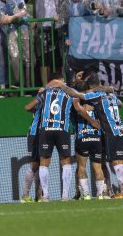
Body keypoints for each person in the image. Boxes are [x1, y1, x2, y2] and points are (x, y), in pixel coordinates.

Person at [52, 72, 123, 199]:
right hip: (122, 129)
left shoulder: (95, 96)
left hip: (110, 131)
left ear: (90, 86)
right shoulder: (111, 94)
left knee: (115, 161)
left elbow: (77, 95)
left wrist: (62, 86)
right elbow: (120, 104)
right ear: (100, 83)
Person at [29, 73, 73, 202]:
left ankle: (46, 196)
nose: (63, 83)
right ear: (57, 82)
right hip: (62, 130)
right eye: (62, 81)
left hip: (46, 130)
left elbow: (29, 106)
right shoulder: (69, 93)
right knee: (65, 162)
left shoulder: (44, 93)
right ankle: (65, 196)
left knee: (44, 163)